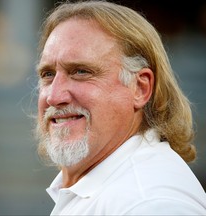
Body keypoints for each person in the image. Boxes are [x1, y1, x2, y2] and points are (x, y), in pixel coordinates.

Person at [34, 0, 206, 215]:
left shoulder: (149, 204)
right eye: (48, 74)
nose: (53, 96)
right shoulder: (111, 188)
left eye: (81, 72)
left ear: (140, 88)